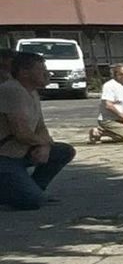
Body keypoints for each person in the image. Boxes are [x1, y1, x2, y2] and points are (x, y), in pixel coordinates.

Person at [0, 50, 75, 211]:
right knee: (31, 202)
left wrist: (45, 146)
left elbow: (40, 127)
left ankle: (33, 188)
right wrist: (43, 144)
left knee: (63, 151)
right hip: (5, 156)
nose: (47, 74)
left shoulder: (32, 92)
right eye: (41, 70)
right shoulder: (12, 90)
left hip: (21, 152)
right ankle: (18, 191)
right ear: (24, 72)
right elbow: (22, 133)